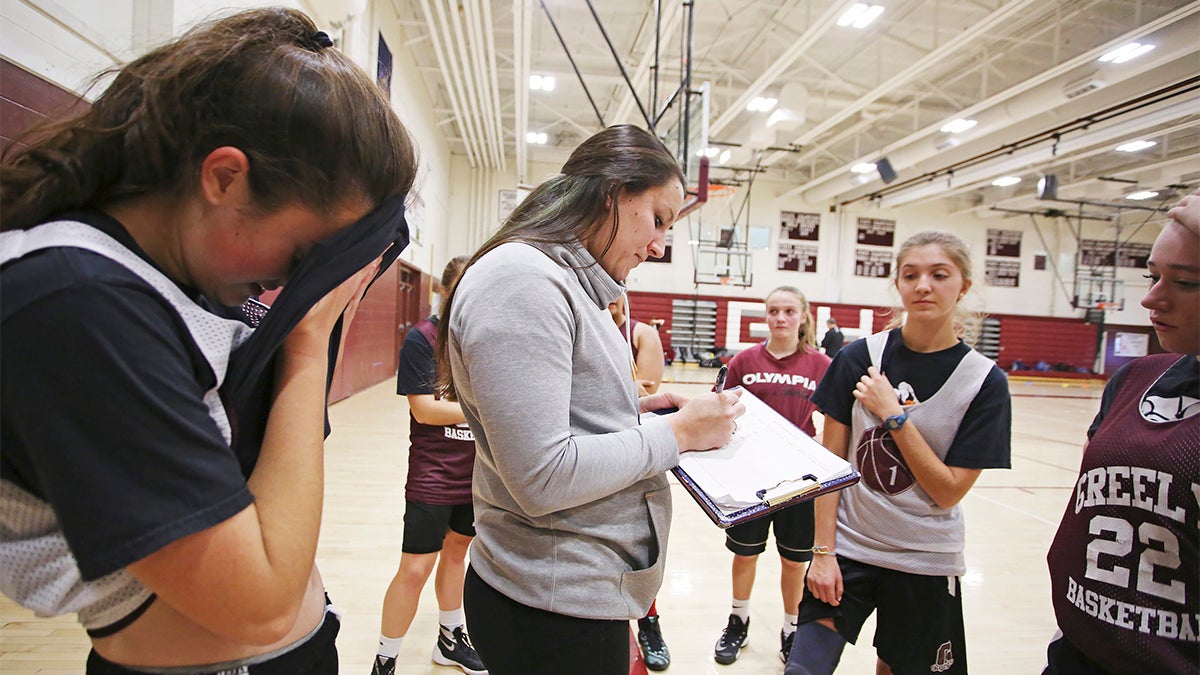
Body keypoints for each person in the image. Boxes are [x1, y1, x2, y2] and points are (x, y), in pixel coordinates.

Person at [0, 8, 417, 673]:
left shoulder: (177, 275)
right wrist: (310, 339)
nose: (295, 278)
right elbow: (262, 603)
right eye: (307, 250)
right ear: (224, 177)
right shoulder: (77, 301)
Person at [435, 124, 745, 675]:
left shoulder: (563, 281)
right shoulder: (525, 282)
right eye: (657, 220)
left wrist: (632, 413)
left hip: (568, 590)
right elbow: (542, 477)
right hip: (551, 605)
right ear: (614, 193)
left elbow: (566, 418)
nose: (658, 246)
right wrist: (678, 434)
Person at [786, 230, 1012, 675]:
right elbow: (829, 468)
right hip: (848, 550)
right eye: (911, 275)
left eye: (938, 274)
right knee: (803, 669)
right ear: (898, 284)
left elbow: (947, 492)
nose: (923, 285)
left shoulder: (984, 383)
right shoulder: (857, 359)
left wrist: (894, 416)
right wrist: (822, 552)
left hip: (924, 559)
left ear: (963, 285)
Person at [1042, 189, 1199, 674]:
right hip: (1079, 653)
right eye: (1153, 276)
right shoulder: (1135, 379)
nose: (1152, 297)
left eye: (1188, 282)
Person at [372, 256, 485, 675]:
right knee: (416, 567)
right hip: (434, 475)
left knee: (458, 553)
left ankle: (450, 638)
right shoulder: (422, 339)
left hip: (477, 475)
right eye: (460, 292)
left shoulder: (485, 337)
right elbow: (425, 410)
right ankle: (385, 658)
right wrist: (484, 407)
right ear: (444, 291)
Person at [713, 286, 832, 666]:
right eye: (774, 311)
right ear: (765, 316)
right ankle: (738, 619)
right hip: (751, 477)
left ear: (803, 316)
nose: (780, 318)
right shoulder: (744, 361)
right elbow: (721, 411)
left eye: (789, 311)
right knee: (745, 554)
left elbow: (834, 421)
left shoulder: (821, 364)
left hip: (800, 479)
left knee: (795, 561)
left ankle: (791, 627)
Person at [608, 294, 671, 670]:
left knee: (641, 547)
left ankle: (650, 622)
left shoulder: (641, 334)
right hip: (590, 451)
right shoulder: (578, 323)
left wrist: (632, 387)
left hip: (636, 454)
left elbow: (650, 395)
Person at [608, 294, 666, 396]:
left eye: (616, 285)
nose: (612, 294)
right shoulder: (583, 332)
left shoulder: (644, 333)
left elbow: (645, 392)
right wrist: (630, 386)